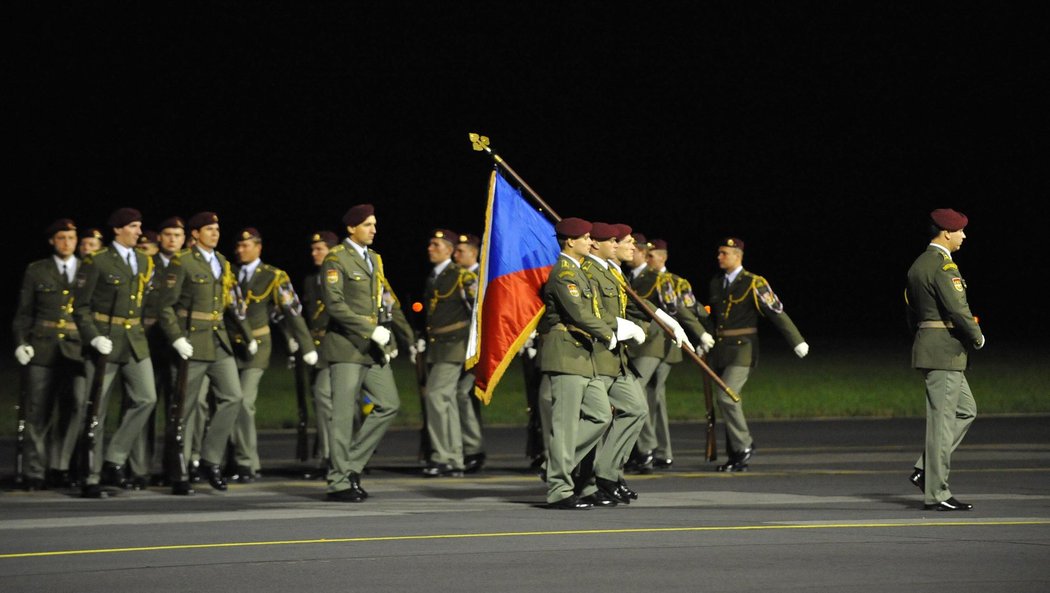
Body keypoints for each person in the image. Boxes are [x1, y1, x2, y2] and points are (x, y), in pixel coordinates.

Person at [320, 204, 414, 502]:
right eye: (368, 225)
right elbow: (335, 306)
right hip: (347, 347)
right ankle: (338, 481)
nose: (374, 229)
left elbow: (381, 303)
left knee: (388, 404)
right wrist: (370, 330)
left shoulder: (374, 259)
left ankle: (351, 465)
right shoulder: (336, 259)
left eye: (374, 224)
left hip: (372, 348)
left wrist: (389, 339)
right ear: (351, 228)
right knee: (343, 416)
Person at [157, 211, 254, 495]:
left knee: (233, 397)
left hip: (217, 340)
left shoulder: (222, 262)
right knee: (184, 410)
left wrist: (247, 337)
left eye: (217, 228)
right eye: (209, 229)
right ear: (195, 234)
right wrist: (176, 338)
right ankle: (180, 471)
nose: (215, 233)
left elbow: (231, 305)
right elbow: (165, 307)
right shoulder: (182, 261)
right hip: (191, 340)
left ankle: (210, 459)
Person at [539, 217, 631, 510]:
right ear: (570, 241)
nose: (592, 243)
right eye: (586, 238)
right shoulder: (564, 274)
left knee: (601, 416)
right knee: (565, 426)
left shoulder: (580, 273)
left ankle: (555, 463)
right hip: (566, 354)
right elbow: (579, 313)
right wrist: (609, 334)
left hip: (584, 355)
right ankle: (559, 489)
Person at [72, 208, 159, 498]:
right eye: (133, 226)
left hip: (134, 339)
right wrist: (93, 338)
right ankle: (91, 476)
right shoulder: (97, 261)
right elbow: (80, 307)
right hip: (106, 340)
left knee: (147, 398)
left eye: (139, 226)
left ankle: (115, 458)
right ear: (118, 229)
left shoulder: (144, 261)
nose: (138, 231)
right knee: (96, 408)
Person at [707, 237, 809, 472]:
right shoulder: (717, 282)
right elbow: (711, 312)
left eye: (724, 253)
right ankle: (735, 455)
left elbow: (776, 312)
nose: (719, 257)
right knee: (723, 402)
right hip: (721, 349)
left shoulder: (754, 282)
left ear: (737, 255)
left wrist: (797, 340)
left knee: (727, 397)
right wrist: (701, 335)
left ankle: (744, 444)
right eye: (719, 252)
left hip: (744, 348)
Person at [905, 208, 984, 511]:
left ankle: (925, 468)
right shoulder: (943, 266)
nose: (963, 236)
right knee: (941, 423)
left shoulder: (917, 265)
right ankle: (937, 492)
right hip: (945, 351)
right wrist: (977, 336)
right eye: (960, 231)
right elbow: (958, 308)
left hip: (931, 347)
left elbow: (911, 311)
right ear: (946, 232)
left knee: (966, 410)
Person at [229, 227, 317, 483]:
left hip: (258, 343)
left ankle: (247, 463)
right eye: (238, 245)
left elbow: (291, 311)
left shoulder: (273, 276)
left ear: (259, 247)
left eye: (246, 245)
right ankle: (231, 459)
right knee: (228, 402)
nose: (240, 250)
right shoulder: (229, 273)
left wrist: (306, 346)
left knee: (244, 400)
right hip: (231, 345)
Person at [627, 238, 714, 472]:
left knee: (639, 392)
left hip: (658, 345)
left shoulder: (663, 279)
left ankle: (647, 449)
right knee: (654, 398)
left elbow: (685, 309)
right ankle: (661, 451)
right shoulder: (631, 277)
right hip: (641, 344)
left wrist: (701, 333)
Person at [12, 218, 87, 490]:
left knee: (75, 407)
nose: (67, 243)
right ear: (52, 241)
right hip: (43, 348)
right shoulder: (37, 270)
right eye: (61, 238)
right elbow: (24, 312)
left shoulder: (86, 270)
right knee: (37, 411)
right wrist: (21, 342)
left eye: (71, 238)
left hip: (75, 350)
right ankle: (35, 471)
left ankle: (61, 465)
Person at [579, 222, 649, 505]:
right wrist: (624, 328)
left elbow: (635, 306)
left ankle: (609, 474)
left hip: (616, 358)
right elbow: (592, 313)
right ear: (605, 244)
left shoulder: (615, 272)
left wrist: (664, 323)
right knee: (596, 419)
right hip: (595, 356)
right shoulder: (589, 272)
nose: (633, 247)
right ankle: (590, 480)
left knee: (636, 409)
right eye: (627, 242)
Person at [413, 229, 477, 477]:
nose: (430, 248)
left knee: (437, 396)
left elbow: (475, 311)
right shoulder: (435, 276)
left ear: (449, 250)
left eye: (436, 244)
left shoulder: (461, 276)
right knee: (445, 400)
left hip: (455, 345)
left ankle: (444, 456)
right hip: (438, 346)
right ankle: (453, 458)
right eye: (430, 243)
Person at [131, 216, 187, 487]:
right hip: (149, 342)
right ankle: (139, 468)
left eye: (177, 234)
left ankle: (175, 468)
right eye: (167, 234)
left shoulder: (189, 263)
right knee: (145, 405)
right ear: (160, 239)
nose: (172, 240)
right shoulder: (146, 265)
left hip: (179, 345)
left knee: (178, 408)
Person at [302, 230, 340, 478]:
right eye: (313, 249)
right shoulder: (311, 280)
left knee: (325, 397)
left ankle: (330, 456)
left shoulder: (337, 276)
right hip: (317, 347)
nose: (315, 253)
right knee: (322, 401)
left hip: (335, 345)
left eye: (320, 249)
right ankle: (327, 455)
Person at [452, 232, 487, 472]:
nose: (456, 254)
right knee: (464, 395)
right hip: (463, 347)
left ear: (473, 253)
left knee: (463, 394)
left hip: (479, 347)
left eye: (461, 251)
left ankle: (474, 448)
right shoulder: (460, 277)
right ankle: (470, 447)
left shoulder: (479, 277)